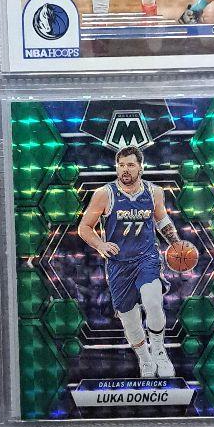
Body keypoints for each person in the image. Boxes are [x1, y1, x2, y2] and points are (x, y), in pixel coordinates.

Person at [76, 145, 185, 378]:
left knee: (153, 301)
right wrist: (100, 245)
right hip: (119, 264)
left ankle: (159, 351)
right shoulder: (104, 194)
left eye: (131, 165)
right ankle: (145, 359)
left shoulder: (154, 192)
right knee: (130, 320)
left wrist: (176, 243)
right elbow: (84, 227)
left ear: (140, 168)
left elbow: (162, 220)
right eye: (121, 165)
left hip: (147, 258)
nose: (125, 169)